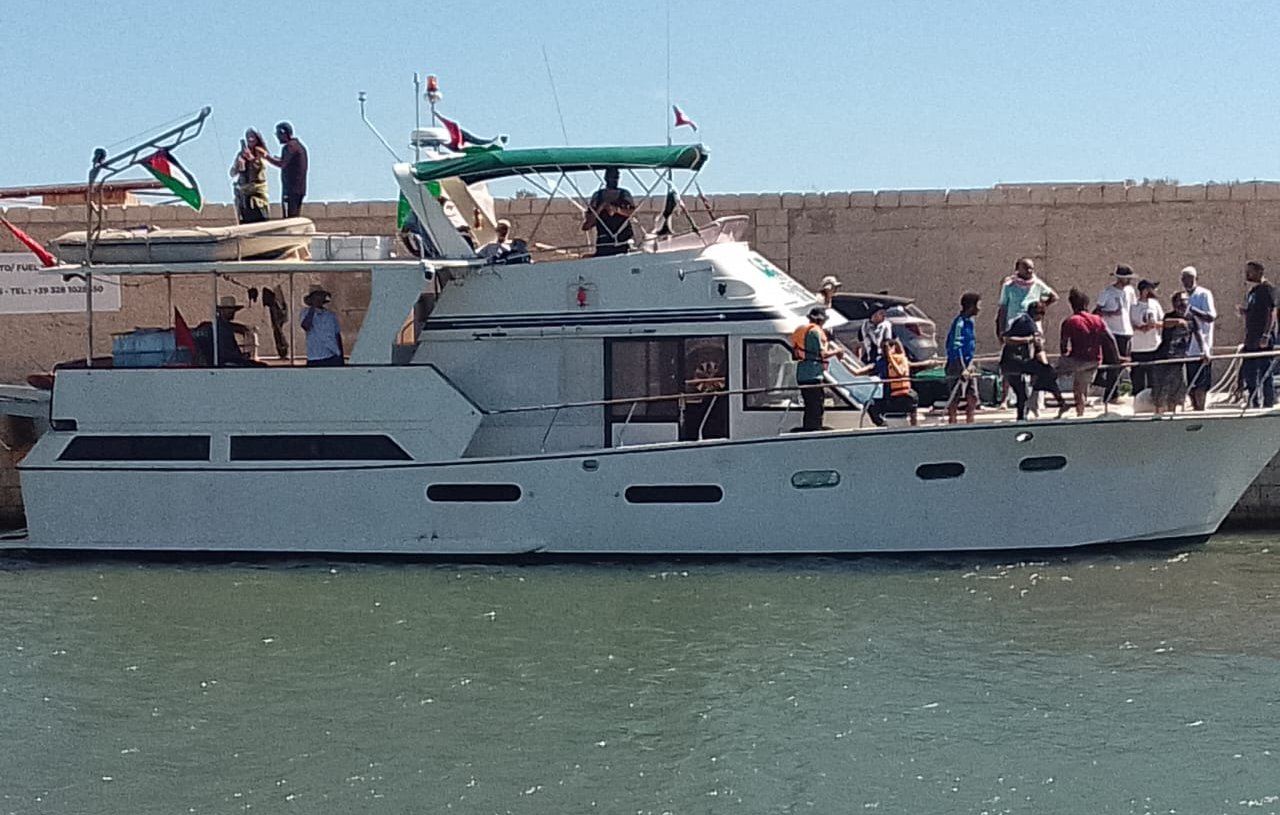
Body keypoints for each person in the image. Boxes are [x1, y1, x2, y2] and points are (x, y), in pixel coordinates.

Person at [996, 257, 1057, 408]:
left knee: (1037, 361)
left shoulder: (1037, 283)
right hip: (1014, 327)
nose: (1030, 271)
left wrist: (1040, 306)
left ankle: (1036, 401)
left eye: (1031, 268)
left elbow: (1053, 296)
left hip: (1032, 326)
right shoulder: (1009, 285)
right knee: (1011, 361)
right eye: (1026, 268)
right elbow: (1003, 308)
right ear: (1018, 269)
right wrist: (1001, 329)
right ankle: (1005, 398)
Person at [1000, 300, 1067, 420]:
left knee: (1022, 394)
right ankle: (1060, 401)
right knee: (1048, 372)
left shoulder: (1024, 320)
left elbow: (1037, 348)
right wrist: (1029, 340)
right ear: (1039, 314)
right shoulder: (1027, 322)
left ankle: (1021, 418)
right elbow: (1007, 339)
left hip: (1011, 363)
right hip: (1015, 362)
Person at [1056, 288, 1113, 417]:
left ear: (1071, 304)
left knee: (1047, 375)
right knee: (1080, 386)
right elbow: (1110, 339)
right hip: (1094, 360)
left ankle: (1060, 400)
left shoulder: (1070, 321)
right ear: (1086, 304)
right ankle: (1080, 412)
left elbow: (1063, 345)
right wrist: (1116, 357)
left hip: (1077, 359)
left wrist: (1065, 359)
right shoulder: (1097, 319)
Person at [1150, 291, 1207, 415]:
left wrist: (1204, 351)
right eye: (1179, 301)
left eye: (1184, 301)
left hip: (1179, 360)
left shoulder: (1192, 318)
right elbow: (1164, 323)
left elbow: (1199, 335)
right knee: (1161, 393)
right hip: (1164, 359)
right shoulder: (1169, 316)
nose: (1182, 304)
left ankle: (1172, 415)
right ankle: (1159, 417)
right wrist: (1177, 322)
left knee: (1176, 393)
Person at [792, 306, 844, 431]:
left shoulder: (801, 331)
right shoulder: (816, 332)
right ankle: (814, 430)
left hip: (802, 374)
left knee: (809, 407)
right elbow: (823, 354)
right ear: (821, 321)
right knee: (816, 407)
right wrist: (838, 351)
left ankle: (809, 429)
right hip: (813, 375)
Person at [1238, 260, 1277, 408]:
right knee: (1250, 371)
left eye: (1250, 271)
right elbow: (1256, 311)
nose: (1247, 274)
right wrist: (1245, 312)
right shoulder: (1253, 292)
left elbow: (1270, 312)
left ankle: (1268, 402)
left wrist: (1266, 334)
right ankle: (1253, 401)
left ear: (1259, 272)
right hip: (1251, 338)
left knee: (1265, 370)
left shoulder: (1267, 289)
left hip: (1263, 338)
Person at [1096, 264, 1137, 402]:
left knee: (1121, 364)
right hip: (1112, 331)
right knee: (1114, 363)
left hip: (1126, 331)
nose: (1129, 281)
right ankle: (1111, 394)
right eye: (1127, 278)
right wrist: (1110, 313)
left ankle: (1113, 391)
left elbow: (1132, 308)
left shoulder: (1130, 291)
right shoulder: (1107, 292)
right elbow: (1097, 311)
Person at [1181, 266, 1217, 410]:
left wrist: (1192, 310)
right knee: (1191, 384)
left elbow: (1210, 317)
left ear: (1196, 278)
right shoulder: (1182, 296)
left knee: (1202, 384)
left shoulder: (1204, 294)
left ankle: (1201, 410)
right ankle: (1195, 408)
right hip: (1188, 349)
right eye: (1184, 278)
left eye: (1190, 278)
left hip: (1202, 348)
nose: (1186, 281)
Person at [867, 338, 921, 426]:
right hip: (890, 398)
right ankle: (883, 424)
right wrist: (842, 360)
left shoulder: (900, 359)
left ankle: (914, 426)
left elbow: (900, 372)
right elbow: (857, 372)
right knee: (871, 405)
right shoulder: (881, 362)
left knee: (912, 396)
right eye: (883, 348)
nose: (884, 350)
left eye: (887, 348)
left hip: (903, 396)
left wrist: (890, 357)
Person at [945, 292, 981, 425]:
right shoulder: (959, 323)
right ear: (971, 306)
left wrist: (970, 364)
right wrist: (962, 368)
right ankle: (952, 421)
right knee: (955, 395)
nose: (979, 308)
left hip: (969, 362)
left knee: (973, 395)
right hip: (957, 363)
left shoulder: (970, 322)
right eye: (978, 305)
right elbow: (956, 346)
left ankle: (970, 421)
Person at [581, 168, 635, 256]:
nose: (614, 180)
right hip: (604, 242)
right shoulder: (597, 196)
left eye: (616, 177)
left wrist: (617, 210)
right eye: (612, 177)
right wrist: (601, 207)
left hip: (623, 240)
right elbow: (588, 224)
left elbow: (632, 212)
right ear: (606, 178)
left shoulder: (625, 194)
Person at [195, 296, 257, 366]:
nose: (231, 312)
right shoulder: (220, 328)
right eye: (228, 309)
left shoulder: (226, 327)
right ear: (221, 311)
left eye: (232, 309)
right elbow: (224, 353)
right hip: (226, 364)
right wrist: (240, 357)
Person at [264, 122, 308, 218]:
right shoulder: (299, 146)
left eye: (278, 134)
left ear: (283, 133)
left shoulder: (289, 147)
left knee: (289, 219)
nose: (277, 137)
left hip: (290, 190)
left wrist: (265, 157)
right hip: (299, 189)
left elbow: (282, 164)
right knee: (294, 217)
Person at [1128, 279, 1164, 398]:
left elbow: (1163, 322)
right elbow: (1128, 324)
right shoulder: (1133, 306)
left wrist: (1154, 325)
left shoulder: (1155, 304)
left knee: (1153, 380)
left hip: (1154, 347)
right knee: (1137, 381)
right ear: (1144, 290)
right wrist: (1139, 328)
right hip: (1137, 348)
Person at [230, 128, 269, 224]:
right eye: (248, 137)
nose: (250, 139)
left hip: (257, 191)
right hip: (244, 191)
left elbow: (262, 166)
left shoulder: (260, 151)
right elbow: (232, 173)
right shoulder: (241, 154)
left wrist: (251, 158)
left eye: (252, 137)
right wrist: (238, 166)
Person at [300, 286, 343, 367]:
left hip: (332, 355)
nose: (318, 299)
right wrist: (313, 308)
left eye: (320, 296)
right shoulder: (305, 312)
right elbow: (306, 326)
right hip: (315, 357)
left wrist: (340, 356)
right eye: (316, 296)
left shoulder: (331, 315)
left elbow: (337, 336)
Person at [856, 304, 893, 376]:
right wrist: (859, 357)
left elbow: (889, 342)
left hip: (881, 357)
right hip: (868, 356)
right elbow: (861, 343)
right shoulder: (865, 326)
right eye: (881, 313)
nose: (884, 316)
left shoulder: (886, 326)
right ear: (874, 315)